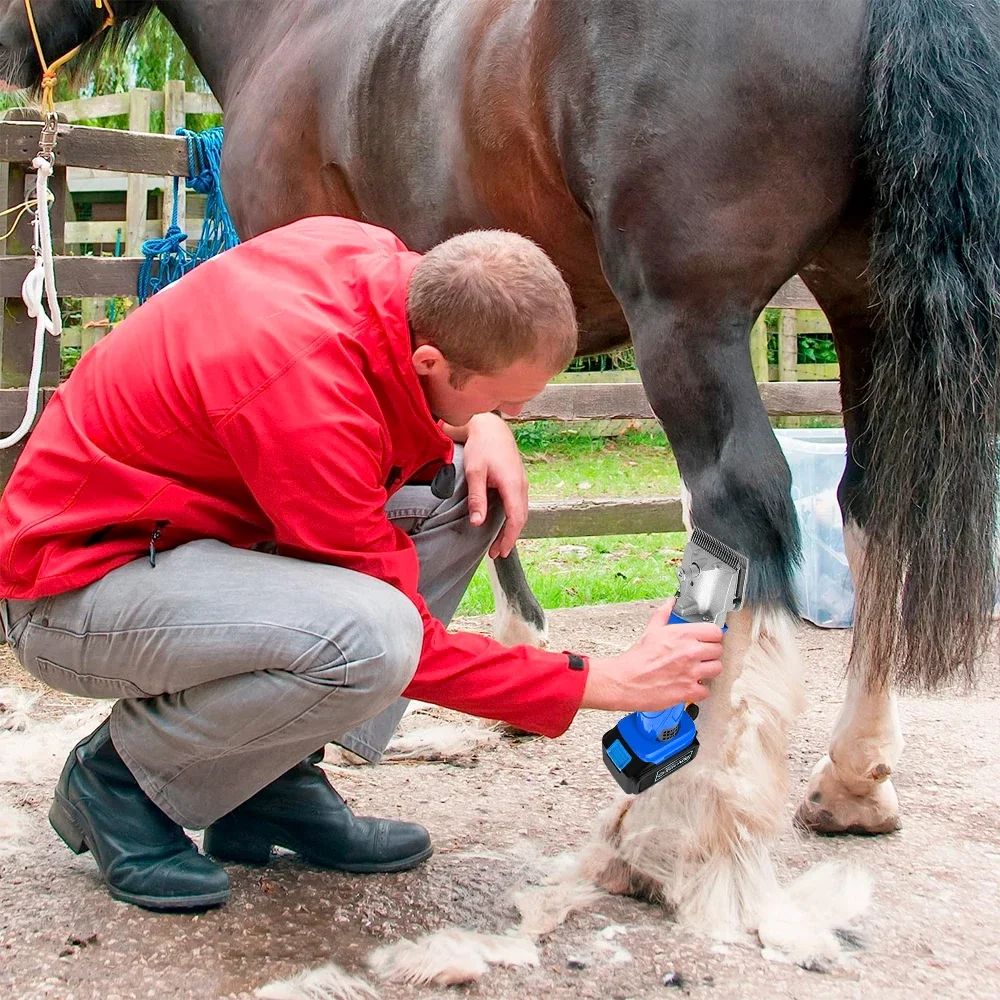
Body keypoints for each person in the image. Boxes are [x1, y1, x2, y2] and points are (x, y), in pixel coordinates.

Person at [0, 216, 724, 912]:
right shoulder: (308, 399)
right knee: (372, 639)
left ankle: (268, 779)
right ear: (432, 362)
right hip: (77, 592)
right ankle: (119, 779)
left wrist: (484, 422)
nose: (517, 415)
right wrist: (606, 682)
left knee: (471, 495)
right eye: (508, 400)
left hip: (199, 536)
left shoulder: (383, 268)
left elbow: (408, 419)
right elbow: (410, 646)